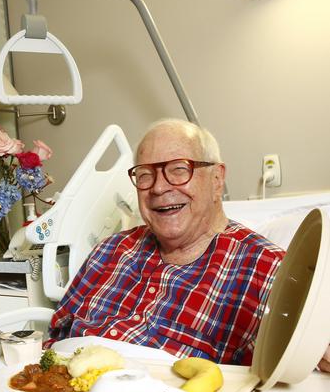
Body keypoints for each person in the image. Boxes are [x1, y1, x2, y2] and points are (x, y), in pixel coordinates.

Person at [48, 118, 285, 365]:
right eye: (145, 175)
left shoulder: (267, 269)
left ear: (216, 179)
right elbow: (54, 334)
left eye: (179, 169)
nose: (159, 188)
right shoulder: (109, 250)